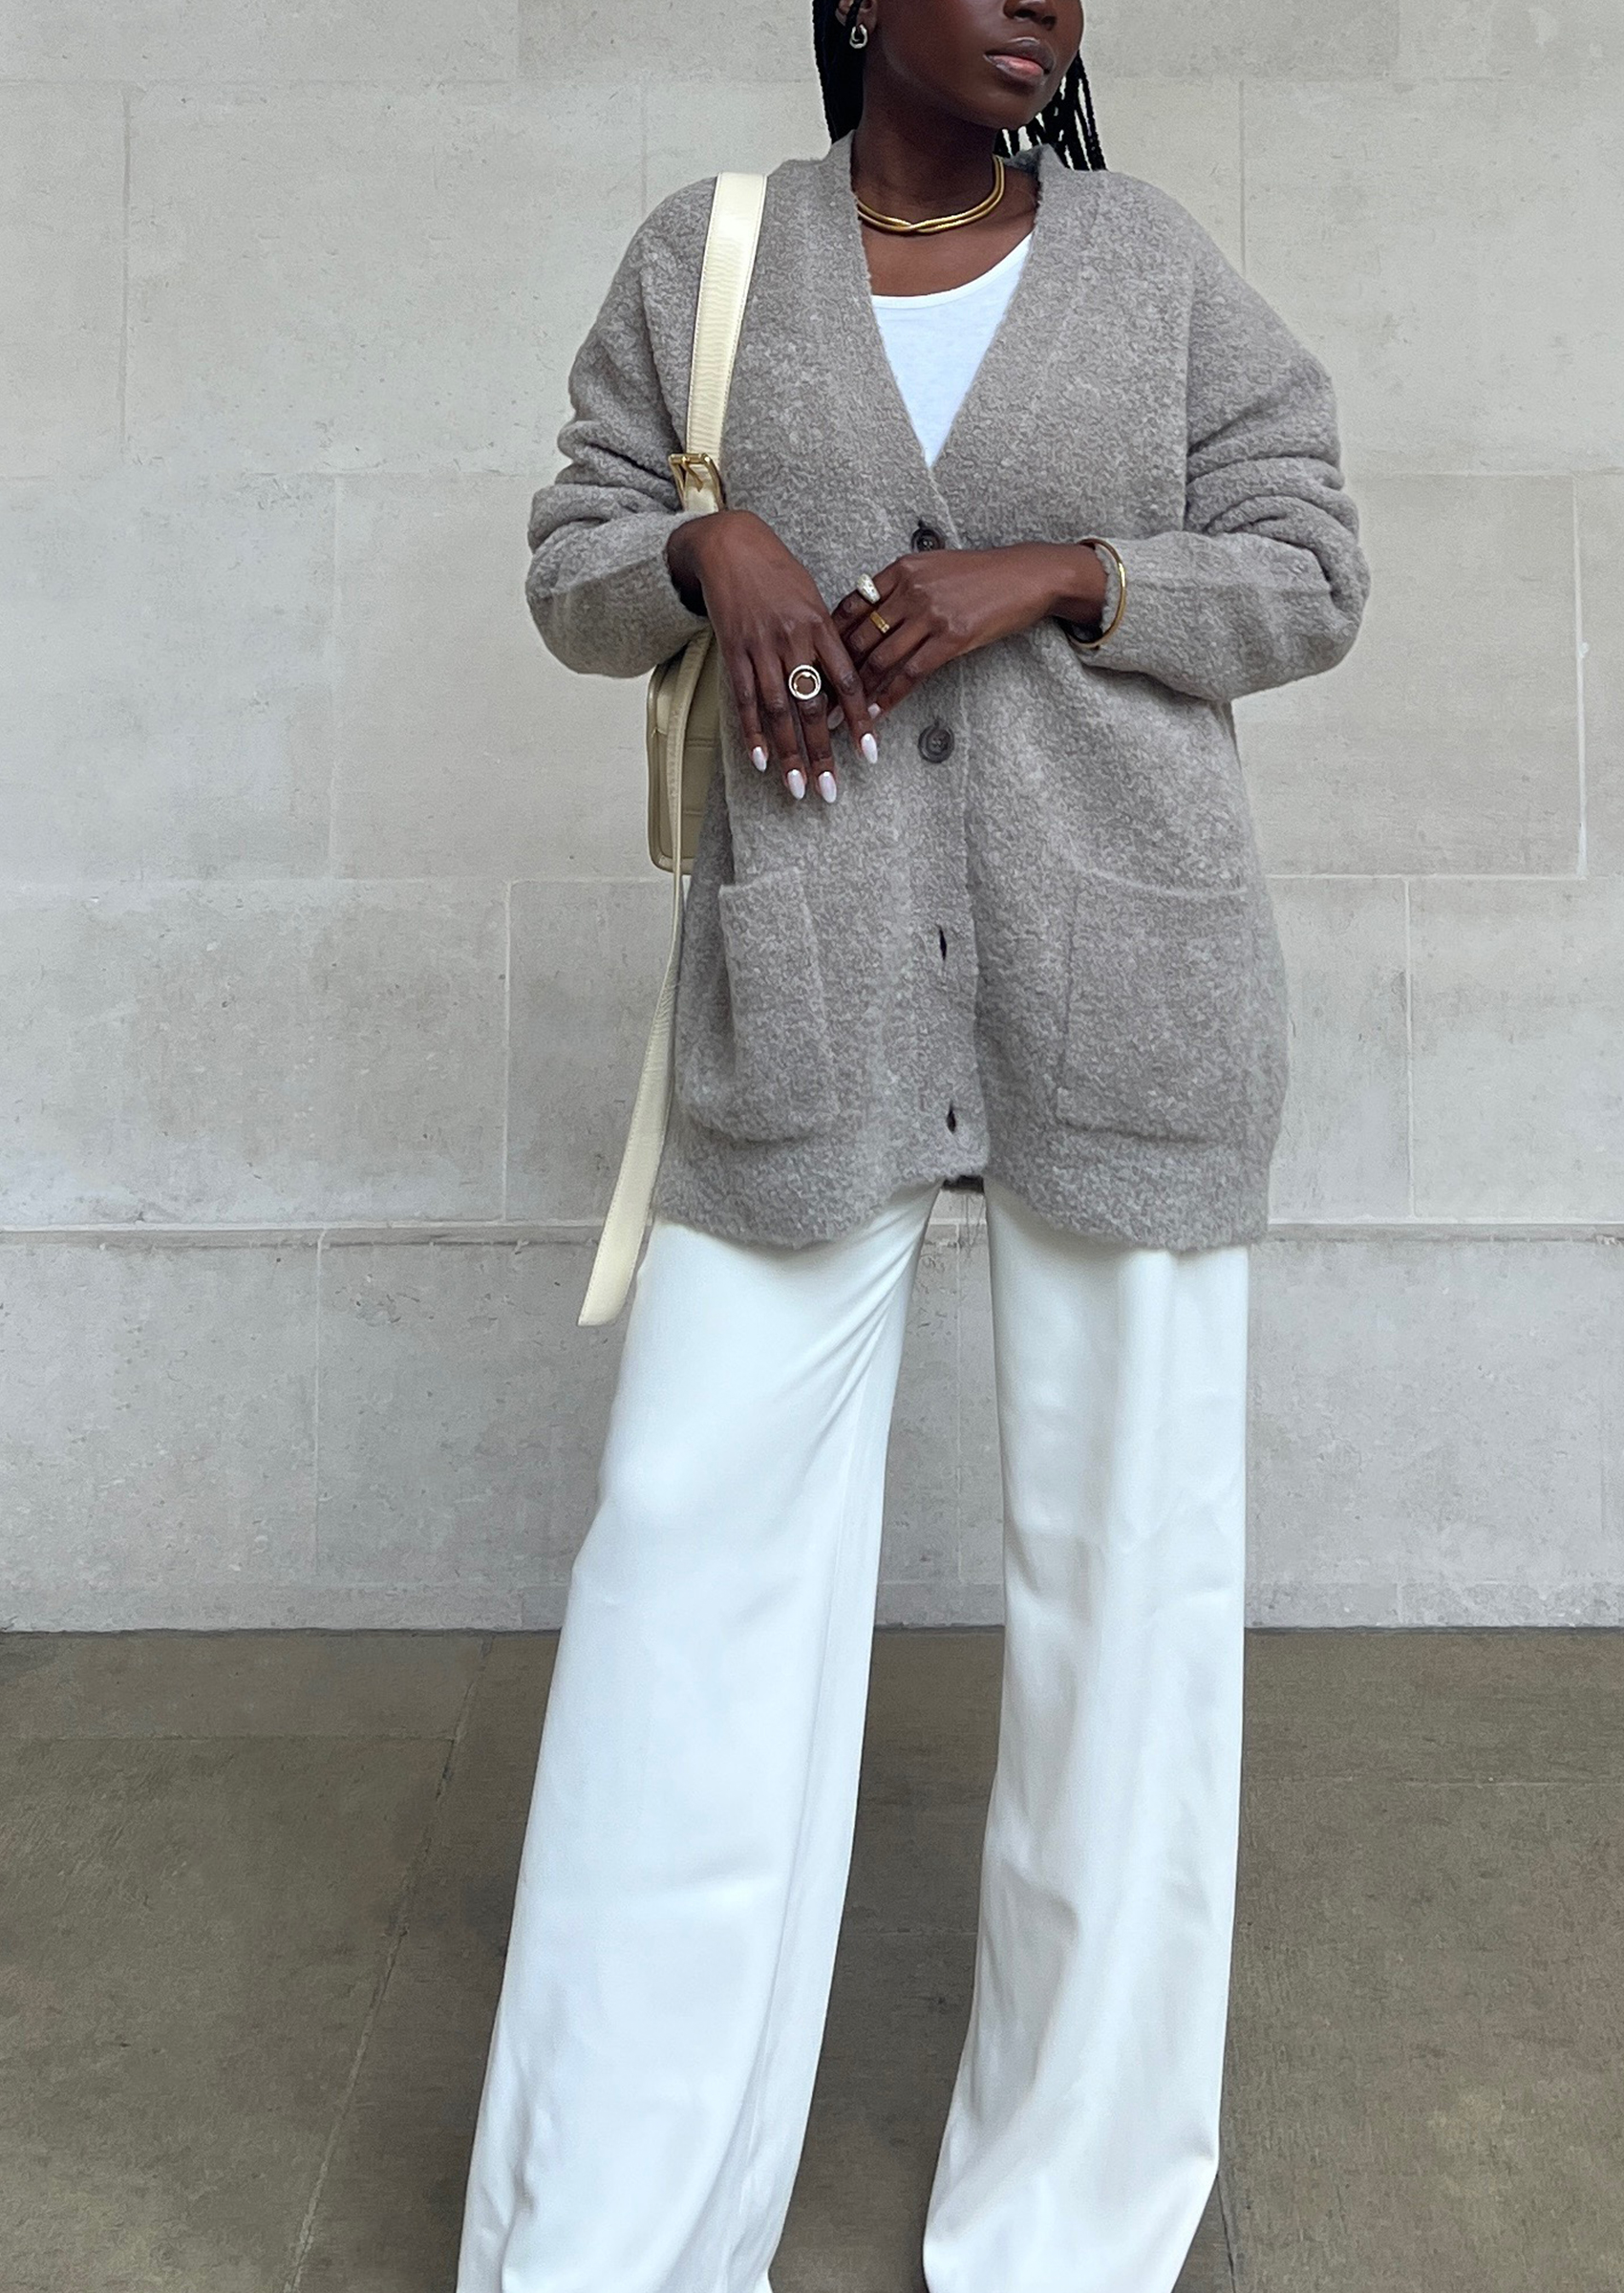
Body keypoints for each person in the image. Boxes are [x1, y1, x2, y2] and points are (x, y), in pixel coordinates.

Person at [456, 3, 1369, 2288]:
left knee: (1127, 1623)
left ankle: (1068, 2217)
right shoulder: (718, 253)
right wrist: (709, 547)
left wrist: (1064, 573)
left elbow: (1313, 565)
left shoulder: (1148, 263)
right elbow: (571, 552)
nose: (1041, 0)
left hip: (1125, 1000)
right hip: (813, 1004)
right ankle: (613, 2227)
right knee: (687, 1591)